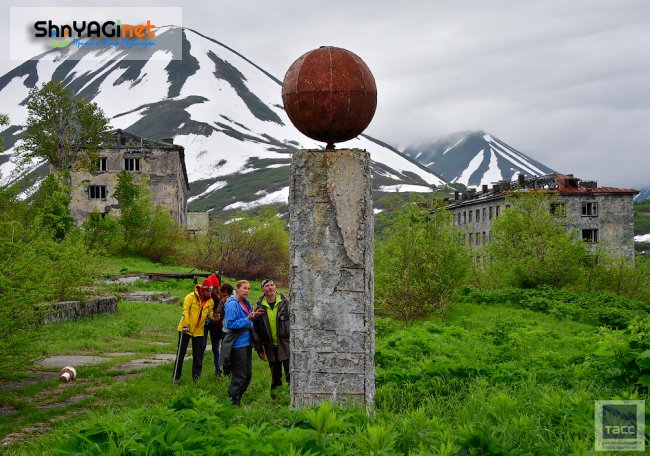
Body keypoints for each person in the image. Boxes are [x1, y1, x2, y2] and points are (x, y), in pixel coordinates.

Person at [222, 280, 264, 405]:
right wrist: (248, 319)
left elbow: (248, 319)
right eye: (244, 288)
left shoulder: (244, 303)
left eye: (248, 288)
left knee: (248, 374)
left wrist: (255, 315)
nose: (247, 291)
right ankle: (233, 400)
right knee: (240, 375)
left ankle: (237, 396)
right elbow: (230, 323)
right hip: (237, 344)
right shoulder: (232, 304)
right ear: (238, 289)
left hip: (246, 343)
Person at [253, 278, 290, 397]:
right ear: (263, 289)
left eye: (272, 285)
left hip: (286, 344)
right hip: (270, 346)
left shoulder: (286, 302)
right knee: (275, 376)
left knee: (291, 374)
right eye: (267, 286)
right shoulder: (259, 307)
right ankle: (276, 399)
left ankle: (293, 399)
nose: (270, 287)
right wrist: (259, 349)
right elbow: (256, 330)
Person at [172, 278, 214, 384]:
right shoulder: (190, 296)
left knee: (198, 356)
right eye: (208, 291)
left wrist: (217, 317)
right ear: (203, 289)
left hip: (199, 331)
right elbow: (185, 311)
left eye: (211, 291)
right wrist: (185, 324)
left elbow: (211, 315)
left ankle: (196, 379)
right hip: (185, 328)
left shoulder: (210, 301)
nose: (209, 293)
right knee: (181, 353)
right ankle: (176, 378)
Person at [202, 274, 223, 378]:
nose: (212, 289)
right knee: (204, 346)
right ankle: (216, 370)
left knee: (215, 348)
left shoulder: (219, 296)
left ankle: (218, 370)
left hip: (215, 324)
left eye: (213, 287)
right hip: (207, 323)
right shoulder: (206, 295)